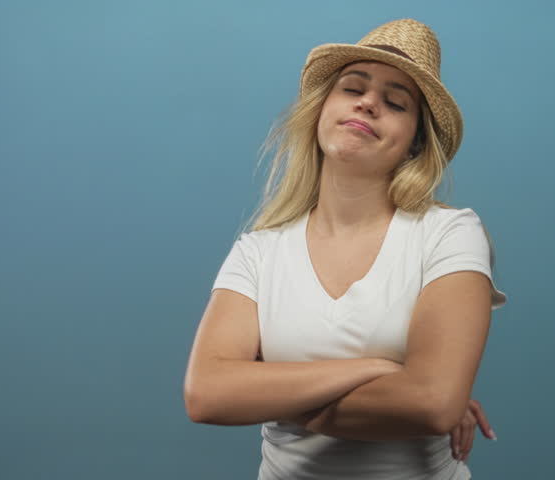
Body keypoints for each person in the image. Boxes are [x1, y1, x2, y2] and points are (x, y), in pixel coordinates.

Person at [184, 18, 508, 479]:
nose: (369, 102)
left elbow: (433, 404)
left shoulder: (450, 234)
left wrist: (265, 395)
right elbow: (207, 394)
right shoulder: (258, 251)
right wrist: (380, 370)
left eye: (396, 102)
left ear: (415, 142)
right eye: (352, 88)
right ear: (321, 111)